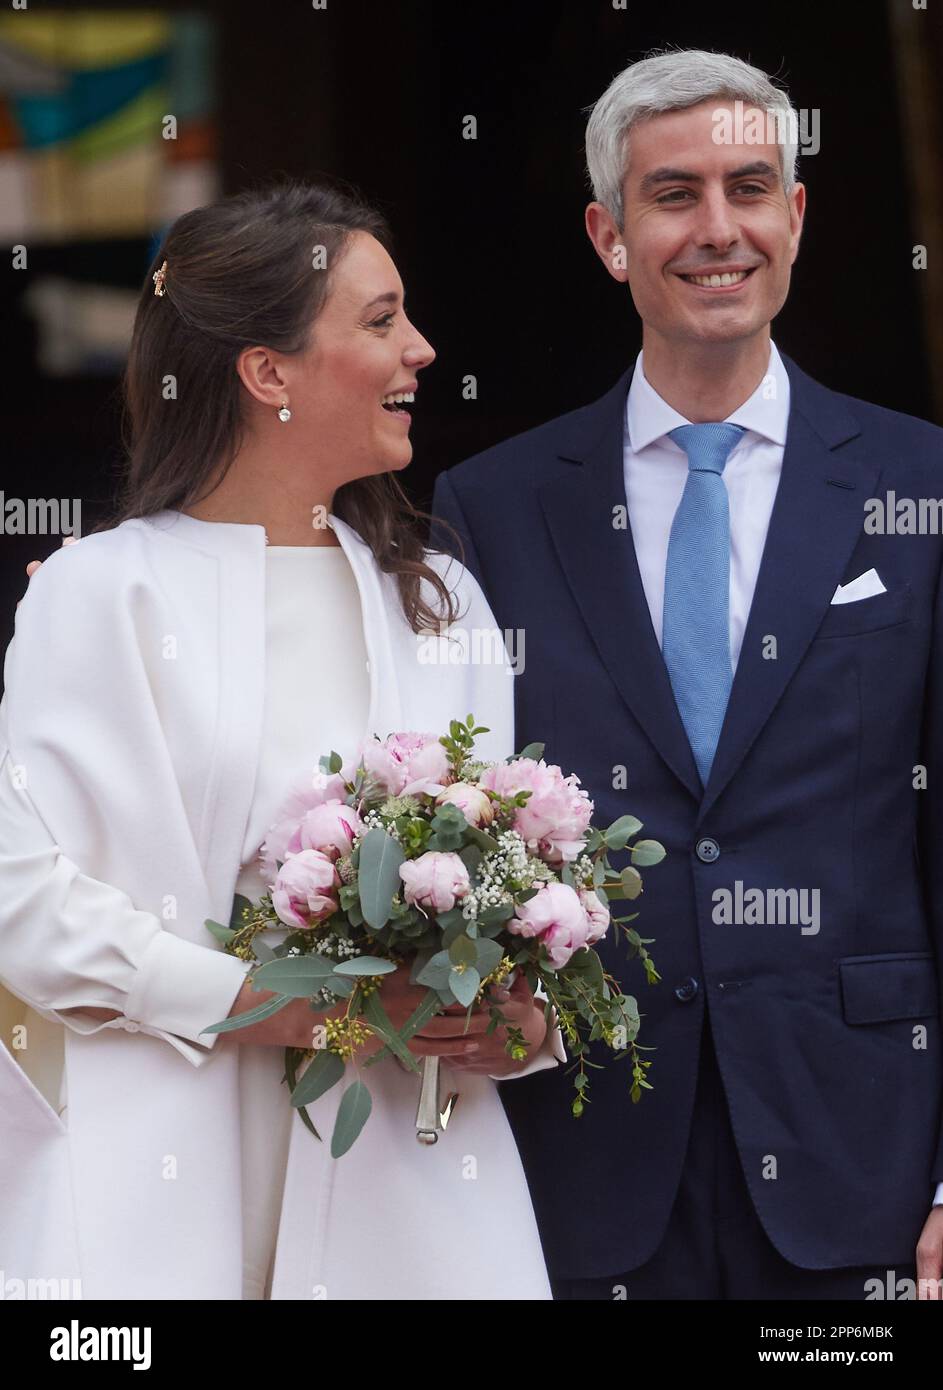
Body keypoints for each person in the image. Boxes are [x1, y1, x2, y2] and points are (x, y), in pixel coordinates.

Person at [432, 49, 943, 1300]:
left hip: (867, 1167)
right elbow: (452, 805)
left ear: (796, 216)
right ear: (610, 236)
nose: (718, 229)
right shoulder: (491, 509)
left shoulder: (920, 483)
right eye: (673, 195)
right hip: (586, 1165)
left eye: (749, 187)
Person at [0, 179, 565, 1301]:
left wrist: (521, 1015)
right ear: (268, 373)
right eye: (379, 319)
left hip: (410, 1179)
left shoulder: (439, 600)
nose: (420, 347)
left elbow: (508, 867)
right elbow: (26, 905)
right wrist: (282, 1002)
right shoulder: (100, 592)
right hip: (161, 1177)